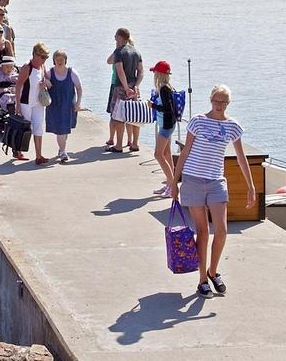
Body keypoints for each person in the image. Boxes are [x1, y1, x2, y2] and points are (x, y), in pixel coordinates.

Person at [170, 85, 255, 299]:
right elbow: (185, 150)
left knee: (222, 230)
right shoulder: (198, 121)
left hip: (216, 181)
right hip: (193, 179)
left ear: (228, 103)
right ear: (210, 100)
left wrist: (251, 187)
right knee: (203, 231)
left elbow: (241, 157)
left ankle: (213, 271)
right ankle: (202, 281)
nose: (219, 105)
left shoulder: (233, 126)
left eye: (223, 102)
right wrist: (173, 181)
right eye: (216, 101)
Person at [105, 27, 143, 153]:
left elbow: (120, 72)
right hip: (134, 86)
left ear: (120, 37)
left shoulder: (119, 52)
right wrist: (136, 86)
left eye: (116, 36)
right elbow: (141, 71)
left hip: (121, 87)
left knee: (118, 117)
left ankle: (119, 145)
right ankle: (134, 144)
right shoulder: (136, 52)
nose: (114, 38)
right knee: (135, 115)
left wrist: (126, 88)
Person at [14, 43, 52, 165]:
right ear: (35, 54)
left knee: (39, 127)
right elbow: (18, 85)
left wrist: (45, 83)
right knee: (25, 128)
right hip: (26, 102)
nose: (44, 59)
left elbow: (47, 80)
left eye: (46, 57)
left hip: (39, 102)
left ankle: (39, 156)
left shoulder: (42, 66)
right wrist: (18, 104)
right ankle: (18, 150)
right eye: (42, 57)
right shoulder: (27, 67)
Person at [46, 50, 83, 163]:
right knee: (60, 130)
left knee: (65, 130)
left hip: (68, 105)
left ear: (65, 60)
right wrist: (45, 82)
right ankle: (63, 152)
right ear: (54, 61)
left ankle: (61, 148)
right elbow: (41, 83)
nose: (59, 61)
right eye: (57, 59)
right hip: (55, 106)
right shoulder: (49, 73)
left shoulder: (72, 73)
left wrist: (78, 103)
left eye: (62, 59)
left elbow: (79, 88)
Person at [150, 61, 180, 196]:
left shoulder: (163, 89)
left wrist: (153, 106)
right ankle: (169, 185)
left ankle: (171, 184)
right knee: (167, 154)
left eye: (155, 72)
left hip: (166, 126)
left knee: (158, 154)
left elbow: (167, 109)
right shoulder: (168, 87)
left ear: (159, 74)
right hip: (168, 124)